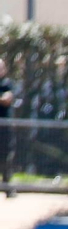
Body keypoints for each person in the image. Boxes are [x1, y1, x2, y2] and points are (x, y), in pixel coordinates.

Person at [0, 58, 16, 195]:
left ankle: (7, 186)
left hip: (4, 127)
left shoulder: (7, 84)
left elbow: (7, 100)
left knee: (6, 156)